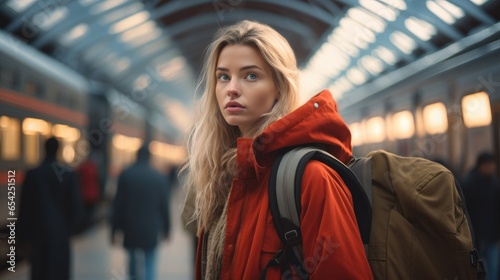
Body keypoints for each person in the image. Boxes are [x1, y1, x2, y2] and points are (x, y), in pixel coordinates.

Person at [180, 20, 372, 279]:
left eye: (251, 76)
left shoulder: (312, 178)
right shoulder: (221, 176)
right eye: (223, 76)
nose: (232, 89)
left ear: (280, 88)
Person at [18, 136, 84, 280]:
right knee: (59, 272)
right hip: (60, 236)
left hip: (38, 235)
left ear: (44, 150)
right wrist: (69, 229)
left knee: (39, 273)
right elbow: (76, 209)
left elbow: (24, 209)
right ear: (58, 150)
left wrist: (22, 238)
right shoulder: (69, 175)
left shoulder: (33, 175)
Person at [111, 144, 171, 280]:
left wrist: (114, 230)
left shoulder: (126, 175)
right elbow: (164, 206)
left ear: (136, 156)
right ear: (149, 157)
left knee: (132, 260)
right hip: (151, 228)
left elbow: (118, 205)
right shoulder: (159, 177)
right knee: (150, 260)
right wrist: (167, 229)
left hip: (130, 227)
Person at [462, 152, 500, 280]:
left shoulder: (494, 183)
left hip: (492, 236)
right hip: (478, 237)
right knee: (482, 270)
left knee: (492, 269)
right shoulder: (469, 184)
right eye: (488, 164)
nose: (491, 167)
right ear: (481, 165)